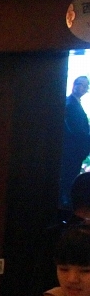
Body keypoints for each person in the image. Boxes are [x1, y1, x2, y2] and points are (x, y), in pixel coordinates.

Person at [62, 76, 90, 208]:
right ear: (74, 85)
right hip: (72, 151)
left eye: (85, 85)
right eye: (80, 84)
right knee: (68, 181)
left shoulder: (75, 103)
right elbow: (75, 130)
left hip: (76, 151)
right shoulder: (70, 104)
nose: (82, 87)